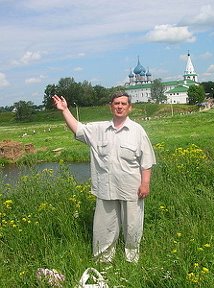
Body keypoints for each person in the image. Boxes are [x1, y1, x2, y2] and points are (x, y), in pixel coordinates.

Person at [52, 92, 156, 263]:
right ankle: (103, 260)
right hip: (105, 188)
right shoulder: (98, 129)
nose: (119, 106)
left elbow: (147, 161)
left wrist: (145, 183)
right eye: (116, 103)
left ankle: (132, 259)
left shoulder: (137, 131)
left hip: (131, 188)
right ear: (111, 106)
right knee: (104, 226)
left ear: (130, 107)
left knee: (132, 225)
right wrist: (64, 110)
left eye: (123, 103)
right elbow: (78, 129)